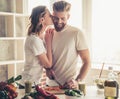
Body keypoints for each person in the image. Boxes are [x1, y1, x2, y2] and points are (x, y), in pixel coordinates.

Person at [46, 0, 91, 89]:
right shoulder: (49, 34)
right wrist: (47, 69)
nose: (59, 22)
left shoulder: (76, 33)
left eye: (63, 18)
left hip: (69, 87)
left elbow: (87, 62)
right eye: (56, 18)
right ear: (52, 15)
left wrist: (77, 81)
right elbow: (47, 59)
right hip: (51, 86)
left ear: (68, 16)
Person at [19, 5, 53, 88]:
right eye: (49, 15)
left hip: (33, 83)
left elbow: (41, 61)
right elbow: (48, 64)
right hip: (27, 85)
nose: (52, 16)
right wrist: (49, 43)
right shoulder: (34, 40)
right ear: (42, 20)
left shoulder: (39, 38)